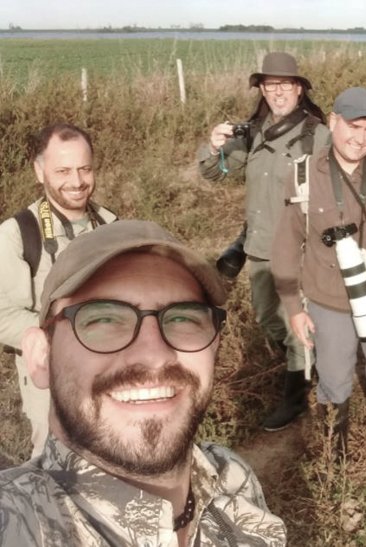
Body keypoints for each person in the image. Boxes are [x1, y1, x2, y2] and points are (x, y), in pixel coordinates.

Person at [0, 220, 287, 545]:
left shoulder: (231, 475)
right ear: (40, 357)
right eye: (103, 319)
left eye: (182, 317)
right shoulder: (16, 522)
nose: (155, 355)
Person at [272, 87, 366, 481]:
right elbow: (286, 246)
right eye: (353, 126)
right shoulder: (302, 176)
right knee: (334, 378)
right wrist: (294, 309)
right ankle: (334, 455)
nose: (360, 137)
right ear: (333, 122)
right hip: (327, 299)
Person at [198, 52, 329, 431]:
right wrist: (213, 145)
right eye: (270, 86)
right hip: (258, 246)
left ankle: (296, 397)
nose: (277, 93)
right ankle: (305, 361)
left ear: (299, 89)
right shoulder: (254, 132)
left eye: (284, 85)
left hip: (298, 249)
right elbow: (216, 173)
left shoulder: (316, 136)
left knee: (294, 326)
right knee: (265, 316)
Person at [0, 123, 117, 457]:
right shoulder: (18, 234)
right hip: (51, 380)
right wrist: (63, 337)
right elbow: (3, 314)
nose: (77, 181)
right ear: (40, 171)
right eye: (63, 171)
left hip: (109, 368)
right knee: (58, 466)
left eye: (85, 169)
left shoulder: (110, 225)